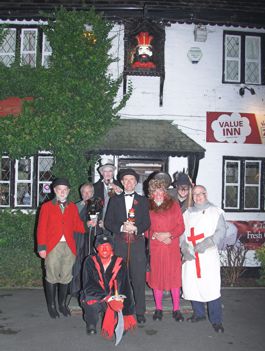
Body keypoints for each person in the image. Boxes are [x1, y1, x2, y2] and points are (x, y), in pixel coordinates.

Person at [37, 178, 89, 319]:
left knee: (66, 276)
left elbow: (77, 225)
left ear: (68, 191)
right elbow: (41, 228)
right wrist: (41, 247)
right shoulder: (46, 207)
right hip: (52, 246)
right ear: (54, 190)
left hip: (69, 247)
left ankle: (62, 304)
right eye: (59, 189)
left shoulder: (72, 206)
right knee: (52, 276)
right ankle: (52, 306)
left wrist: (88, 224)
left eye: (65, 190)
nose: (62, 192)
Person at [104, 168, 151, 324]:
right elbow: (108, 222)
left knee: (138, 278)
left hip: (137, 245)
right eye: (126, 180)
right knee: (119, 278)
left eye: (132, 180)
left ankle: (140, 311)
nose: (129, 182)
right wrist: (121, 228)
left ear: (136, 183)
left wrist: (137, 228)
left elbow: (146, 222)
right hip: (119, 244)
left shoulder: (143, 201)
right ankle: (121, 309)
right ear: (122, 182)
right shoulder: (114, 200)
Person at [180, 185, 227, 333]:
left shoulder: (215, 212)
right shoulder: (187, 213)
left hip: (207, 255)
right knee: (192, 284)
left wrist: (206, 243)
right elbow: (182, 233)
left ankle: (216, 320)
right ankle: (199, 313)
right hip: (191, 255)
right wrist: (184, 248)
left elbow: (221, 231)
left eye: (201, 193)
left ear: (206, 194)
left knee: (211, 286)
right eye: (195, 194)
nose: (198, 196)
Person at [80, 234, 136, 338]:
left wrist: (127, 311)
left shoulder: (120, 263)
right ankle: (91, 322)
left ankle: (112, 317)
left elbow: (126, 286)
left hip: (114, 298)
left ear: (112, 248)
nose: (104, 249)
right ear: (97, 248)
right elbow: (89, 286)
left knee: (119, 325)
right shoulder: (90, 261)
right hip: (97, 297)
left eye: (107, 245)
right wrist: (108, 298)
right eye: (101, 246)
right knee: (90, 302)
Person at [146, 179, 185, 322]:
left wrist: (170, 234)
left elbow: (181, 226)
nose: (158, 194)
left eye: (160, 190)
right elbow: (144, 227)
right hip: (156, 247)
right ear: (151, 193)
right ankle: (158, 309)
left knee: (173, 277)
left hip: (171, 246)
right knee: (157, 278)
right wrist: (154, 235)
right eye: (154, 191)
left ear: (165, 191)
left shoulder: (173, 205)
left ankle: (176, 309)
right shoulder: (147, 206)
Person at [70, 182, 103, 297]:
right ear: (81, 193)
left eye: (89, 192)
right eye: (84, 192)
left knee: (93, 264)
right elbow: (71, 224)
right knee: (78, 264)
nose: (86, 194)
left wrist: (101, 223)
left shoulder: (98, 205)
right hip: (79, 239)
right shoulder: (75, 206)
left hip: (92, 239)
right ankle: (77, 290)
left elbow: (104, 221)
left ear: (93, 193)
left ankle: (93, 290)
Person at [93, 159, 122, 223]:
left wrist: (117, 189)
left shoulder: (121, 186)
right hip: (99, 222)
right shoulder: (94, 187)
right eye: (105, 171)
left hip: (115, 222)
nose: (108, 173)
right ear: (102, 173)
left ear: (113, 172)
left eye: (110, 171)